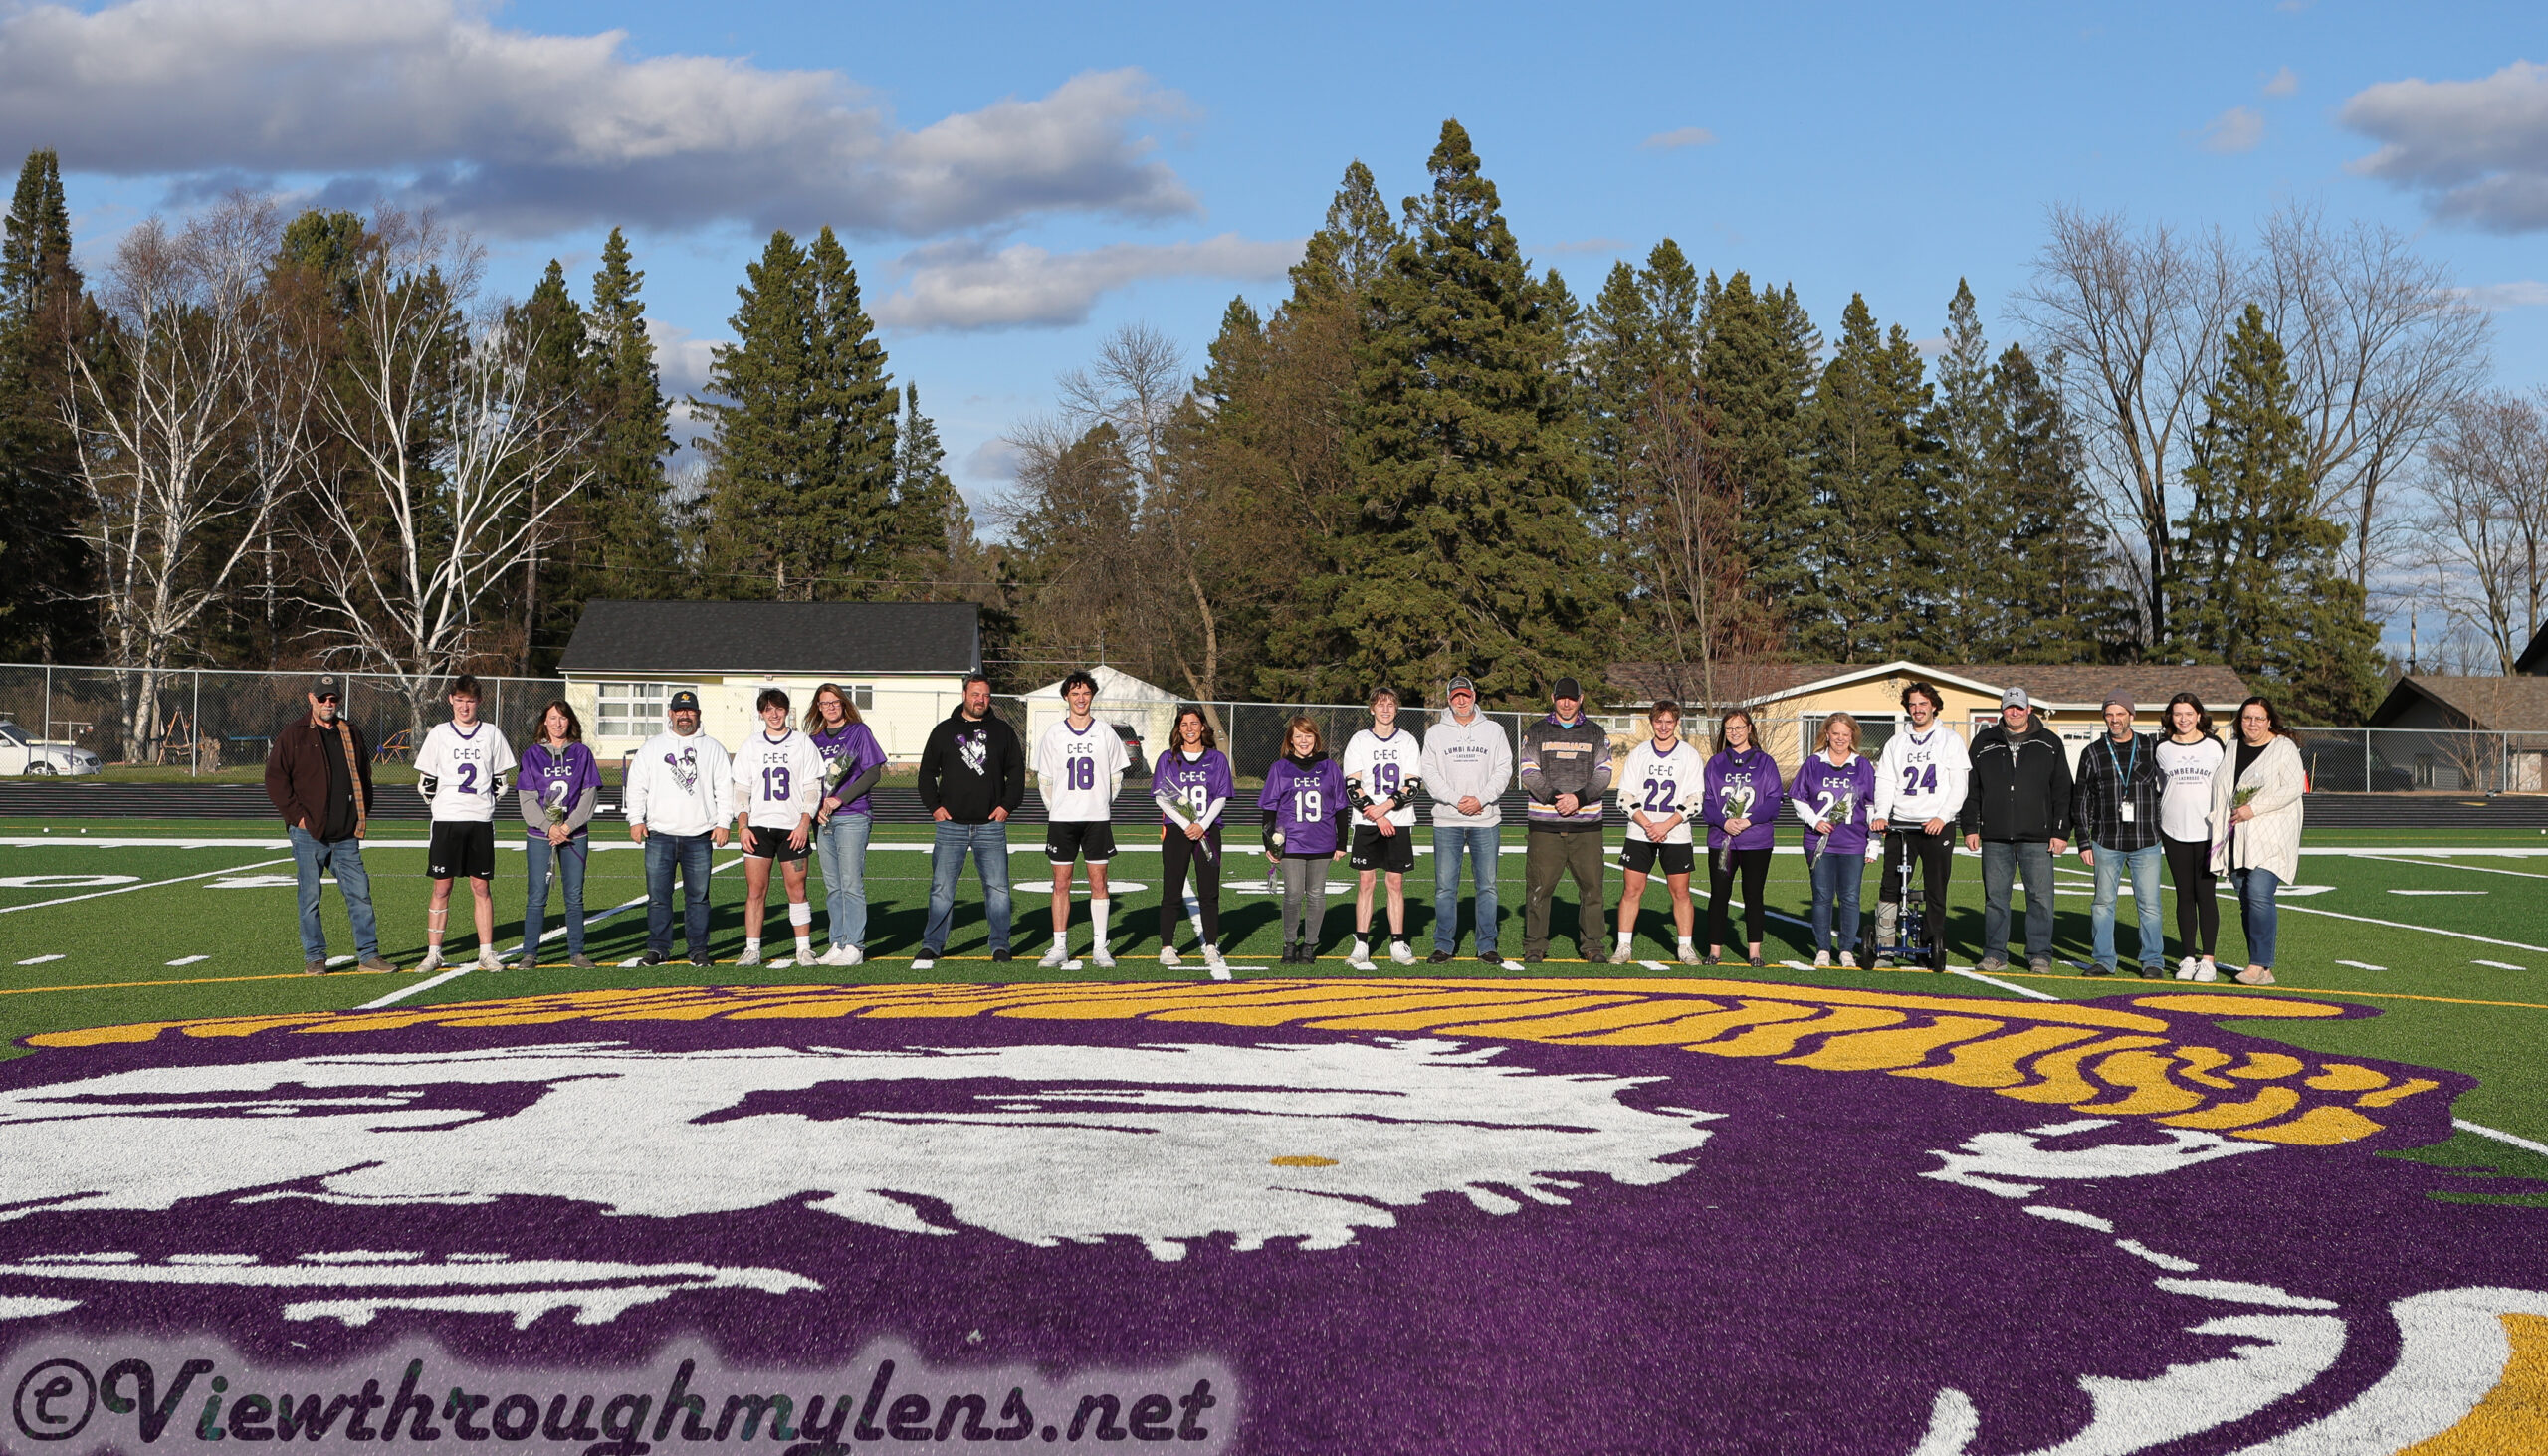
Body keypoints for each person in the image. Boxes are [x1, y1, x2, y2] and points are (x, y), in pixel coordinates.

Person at [264, 674, 396, 976]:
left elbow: (365, 776)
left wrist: (360, 815)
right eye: (322, 698)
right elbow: (275, 780)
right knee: (310, 898)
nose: (327, 703)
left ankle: (368, 955)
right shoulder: (293, 735)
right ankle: (315, 957)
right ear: (311, 698)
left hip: (346, 834)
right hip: (308, 833)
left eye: (332, 698)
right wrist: (297, 818)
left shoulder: (350, 732)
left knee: (360, 893)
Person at [915, 673, 1025, 971]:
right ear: (965, 694)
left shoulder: (1003, 731)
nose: (981, 700)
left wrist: (1006, 806)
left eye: (986, 695)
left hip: (991, 827)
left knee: (998, 889)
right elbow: (926, 775)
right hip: (951, 826)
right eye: (976, 694)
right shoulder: (944, 731)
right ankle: (932, 944)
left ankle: (1000, 944)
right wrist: (935, 807)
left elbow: (1016, 775)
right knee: (941, 888)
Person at [1961, 688, 2072, 974]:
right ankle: (1995, 953)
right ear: (2002, 709)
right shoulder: (1984, 742)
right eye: (2009, 707)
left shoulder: (2049, 743)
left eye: (2019, 708)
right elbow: (1971, 789)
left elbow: (2062, 790)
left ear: (2029, 709)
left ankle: (2039, 955)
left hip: (2037, 836)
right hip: (1995, 836)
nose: (2014, 712)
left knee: (2040, 898)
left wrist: (2060, 831)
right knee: (1996, 899)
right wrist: (1970, 826)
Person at [415, 676, 518, 973]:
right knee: (441, 886)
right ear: (450, 700)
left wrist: (482, 807)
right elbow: (426, 782)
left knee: (480, 886)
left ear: (479, 702)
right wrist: (443, 806)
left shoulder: (491, 734)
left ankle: (486, 952)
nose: (464, 706)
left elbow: (500, 782)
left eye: (470, 700)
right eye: (459, 700)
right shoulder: (439, 735)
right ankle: (434, 953)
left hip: (479, 820)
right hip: (447, 819)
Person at [624, 689, 733, 968]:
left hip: (699, 836)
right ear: (670, 714)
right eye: (679, 711)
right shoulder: (653, 748)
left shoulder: (713, 749)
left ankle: (698, 950)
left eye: (690, 711)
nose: (685, 716)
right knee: (659, 898)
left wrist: (723, 823)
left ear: (698, 714)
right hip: (660, 834)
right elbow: (637, 786)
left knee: (698, 899)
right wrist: (636, 819)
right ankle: (659, 948)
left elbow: (725, 790)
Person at [1032, 670, 1131, 969]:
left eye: (1086, 693)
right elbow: (1045, 779)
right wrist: (1057, 808)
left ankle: (1100, 946)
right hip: (1062, 819)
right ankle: (1060, 945)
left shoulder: (1104, 732)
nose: (1080, 698)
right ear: (1066, 697)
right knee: (1060, 883)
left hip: (1096, 819)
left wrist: (1100, 804)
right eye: (1075, 693)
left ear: (1092, 696)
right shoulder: (1053, 733)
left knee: (1098, 881)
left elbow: (1116, 776)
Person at [1868, 682, 1967, 972]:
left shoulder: (1950, 739)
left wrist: (1943, 816)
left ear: (1934, 705)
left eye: (1923, 703)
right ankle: (1885, 947)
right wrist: (1883, 814)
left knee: (1936, 888)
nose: (1918, 709)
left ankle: (1929, 948)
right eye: (1912, 704)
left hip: (1936, 824)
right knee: (1891, 885)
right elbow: (1885, 782)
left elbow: (1960, 785)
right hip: (1901, 824)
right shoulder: (1896, 743)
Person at [2211, 695, 2305, 987]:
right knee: (2246, 900)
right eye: (2247, 718)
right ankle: (2262, 968)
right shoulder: (2233, 747)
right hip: (2238, 838)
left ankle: (2258, 964)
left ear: (2269, 720)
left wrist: (2255, 809)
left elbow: (2293, 788)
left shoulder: (2283, 748)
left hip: (2270, 836)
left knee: (2260, 895)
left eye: (2259, 718)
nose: (2253, 723)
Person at [1420, 676, 1514, 967]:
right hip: (1447, 819)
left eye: (1466, 695)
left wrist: (1481, 799)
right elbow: (1429, 773)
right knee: (1446, 887)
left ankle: (1486, 945)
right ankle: (1444, 945)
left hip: (1485, 819)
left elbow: (1503, 770)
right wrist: (1455, 799)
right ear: (1448, 700)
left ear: (1474, 695)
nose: (1461, 701)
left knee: (1487, 886)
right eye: (1455, 696)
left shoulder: (1494, 731)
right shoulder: (1435, 733)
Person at [2072, 691, 2168, 979]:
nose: (2115, 719)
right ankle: (2104, 960)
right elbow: (2081, 800)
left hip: (2145, 840)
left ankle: (2152, 961)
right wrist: (2083, 841)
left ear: (2132, 715)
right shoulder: (2092, 752)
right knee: (2102, 903)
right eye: (2109, 714)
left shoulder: (2152, 748)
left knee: (2150, 904)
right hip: (2106, 841)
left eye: (2120, 714)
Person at [1519, 677, 1613, 963]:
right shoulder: (1536, 731)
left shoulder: (1596, 733)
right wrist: (1556, 799)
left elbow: (1604, 774)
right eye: (1561, 697)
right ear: (1553, 698)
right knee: (1539, 887)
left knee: (1592, 888)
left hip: (1586, 826)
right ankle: (1535, 945)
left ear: (1581, 698)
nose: (1566, 702)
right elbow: (1528, 772)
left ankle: (1593, 945)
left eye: (1572, 698)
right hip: (1546, 825)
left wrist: (1579, 799)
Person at [731, 688, 825, 967]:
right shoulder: (751, 746)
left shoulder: (802, 743)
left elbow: (812, 788)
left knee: (797, 889)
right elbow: (741, 790)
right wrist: (743, 826)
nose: (774, 714)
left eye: (779, 708)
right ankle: (752, 949)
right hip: (759, 826)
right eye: (768, 709)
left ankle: (804, 949)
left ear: (787, 711)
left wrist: (804, 822)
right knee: (756, 890)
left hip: (791, 827)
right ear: (761, 713)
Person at [1613, 701, 1702, 966]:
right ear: (1652, 722)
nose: (1664, 727)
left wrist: (1665, 825)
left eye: (1669, 721)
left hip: (1675, 833)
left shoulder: (1689, 755)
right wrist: (1648, 824)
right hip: (1641, 831)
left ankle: (1685, 948)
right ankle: (1623, 946)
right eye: (1658, 721)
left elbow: (1695, 799)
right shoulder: (1639, 753)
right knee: (1632, 890)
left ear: (1677, 723)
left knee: (1681, 892)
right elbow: (1624, 797)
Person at [1342, 686, 1423, 969]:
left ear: (1397, 709)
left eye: (1391, 704)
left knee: (1395, 882)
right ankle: (1362, 943)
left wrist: (1385, 809)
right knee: (1366, 882)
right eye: (1380, 704)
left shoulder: (1409, 741)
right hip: (1367, 821)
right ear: (1371, 708)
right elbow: (1352, 786)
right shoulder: (1359, 740)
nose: (1386, 709)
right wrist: (1376, 816)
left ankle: (1397, 942)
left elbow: (1412, 786)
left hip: (1399, 820)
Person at [806, 683, 887, 966]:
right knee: (832, 885)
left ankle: (855, 945)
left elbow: (873, 772)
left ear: (843, 704)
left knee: (851, 882)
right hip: (823, 819)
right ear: (818, 707)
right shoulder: (813, 739)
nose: (830, 707)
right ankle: (837, 942)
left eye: (835, 702)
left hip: (852, 814)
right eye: (824, 703)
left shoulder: (858, 732)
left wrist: (839, 799)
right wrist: (813, 809)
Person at [516, 700, 600, 970]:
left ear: (570, 722)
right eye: (552, 718)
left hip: (574, 834)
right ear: (544, 722)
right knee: (537, 895)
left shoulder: (582, 753)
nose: (558, 723)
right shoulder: (531, 755)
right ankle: (530, 953)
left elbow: (589, 796)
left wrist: (567, 827)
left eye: (562, 718)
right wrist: (548, 827)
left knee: (574, 895)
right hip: (541, 835)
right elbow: (526, 799)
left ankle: (577, 952)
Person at [1151, 706, 1234, 979]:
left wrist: (1202, 825)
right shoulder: (1168, 758)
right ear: (1178, 728)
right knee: (1172, 890)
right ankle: (1167, 946)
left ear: (1203, 727)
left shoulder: (1217, 759)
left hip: (1208, 831)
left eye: (1194, 723)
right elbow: (1161, 797)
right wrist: (1187, 824)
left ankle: (1211, 945)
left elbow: (1221, 795)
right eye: (1185, 724)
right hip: (1178, 830)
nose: (1190, 728)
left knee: (1209, 891)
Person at [1259, 716, 1350, 964]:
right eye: (1298, 736)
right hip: (1291, 842)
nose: (1303, 741)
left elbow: (1341, 807)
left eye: (1308, 736)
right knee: (1293, 893)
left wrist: (1342, 842)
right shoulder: (1280, 768)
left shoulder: (1330, 767)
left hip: (1322, 841)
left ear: (1315, 738)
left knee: (1317, 894)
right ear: (1290, 740)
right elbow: (1269, 807)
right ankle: (1290, 944)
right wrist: (1269, 842)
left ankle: (1309, 945)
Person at [1700, 709, 1786, 968]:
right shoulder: (1715, 763)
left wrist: (1748, 821)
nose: (1734, 733)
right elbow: (1707, 802)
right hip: (1722, 840)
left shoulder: (1765, 762)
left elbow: (1773, 801)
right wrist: (1724, 821)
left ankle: (1754, 952)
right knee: (1719, 895)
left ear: (1749, 729)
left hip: (1756, 840)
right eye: (1729, 728)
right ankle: (1714, 951)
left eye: (1739, 727)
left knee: (1753, 895)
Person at [1792, 712, 1876, 970]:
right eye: (1835, 733)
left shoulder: (1863, 765)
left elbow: (1873, 807)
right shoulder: (1813, 763)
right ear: (1826, 734)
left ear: (1853, 736)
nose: (1840, 739)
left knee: (1850, 897)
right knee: (1822, 896)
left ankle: (1847, 950)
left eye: (1845, 734)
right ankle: (1823, 949)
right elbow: (1797, 798)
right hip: (1820, 843)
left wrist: (1874, 842)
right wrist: (1814, 820)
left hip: (1853, 842)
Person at [2157, 693, 2227, 982]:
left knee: (2205, 895)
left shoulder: (2214, 747)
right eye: (2177, 714)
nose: (2183, 719)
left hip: (2209, 832)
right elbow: (2160, 786)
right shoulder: (2161, 749)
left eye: (2189, 713)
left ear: (2199, 715)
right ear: (2170, 717)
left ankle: (2207, 959)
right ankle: (2187, 958)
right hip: (2174, 830)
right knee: (2183, 895)